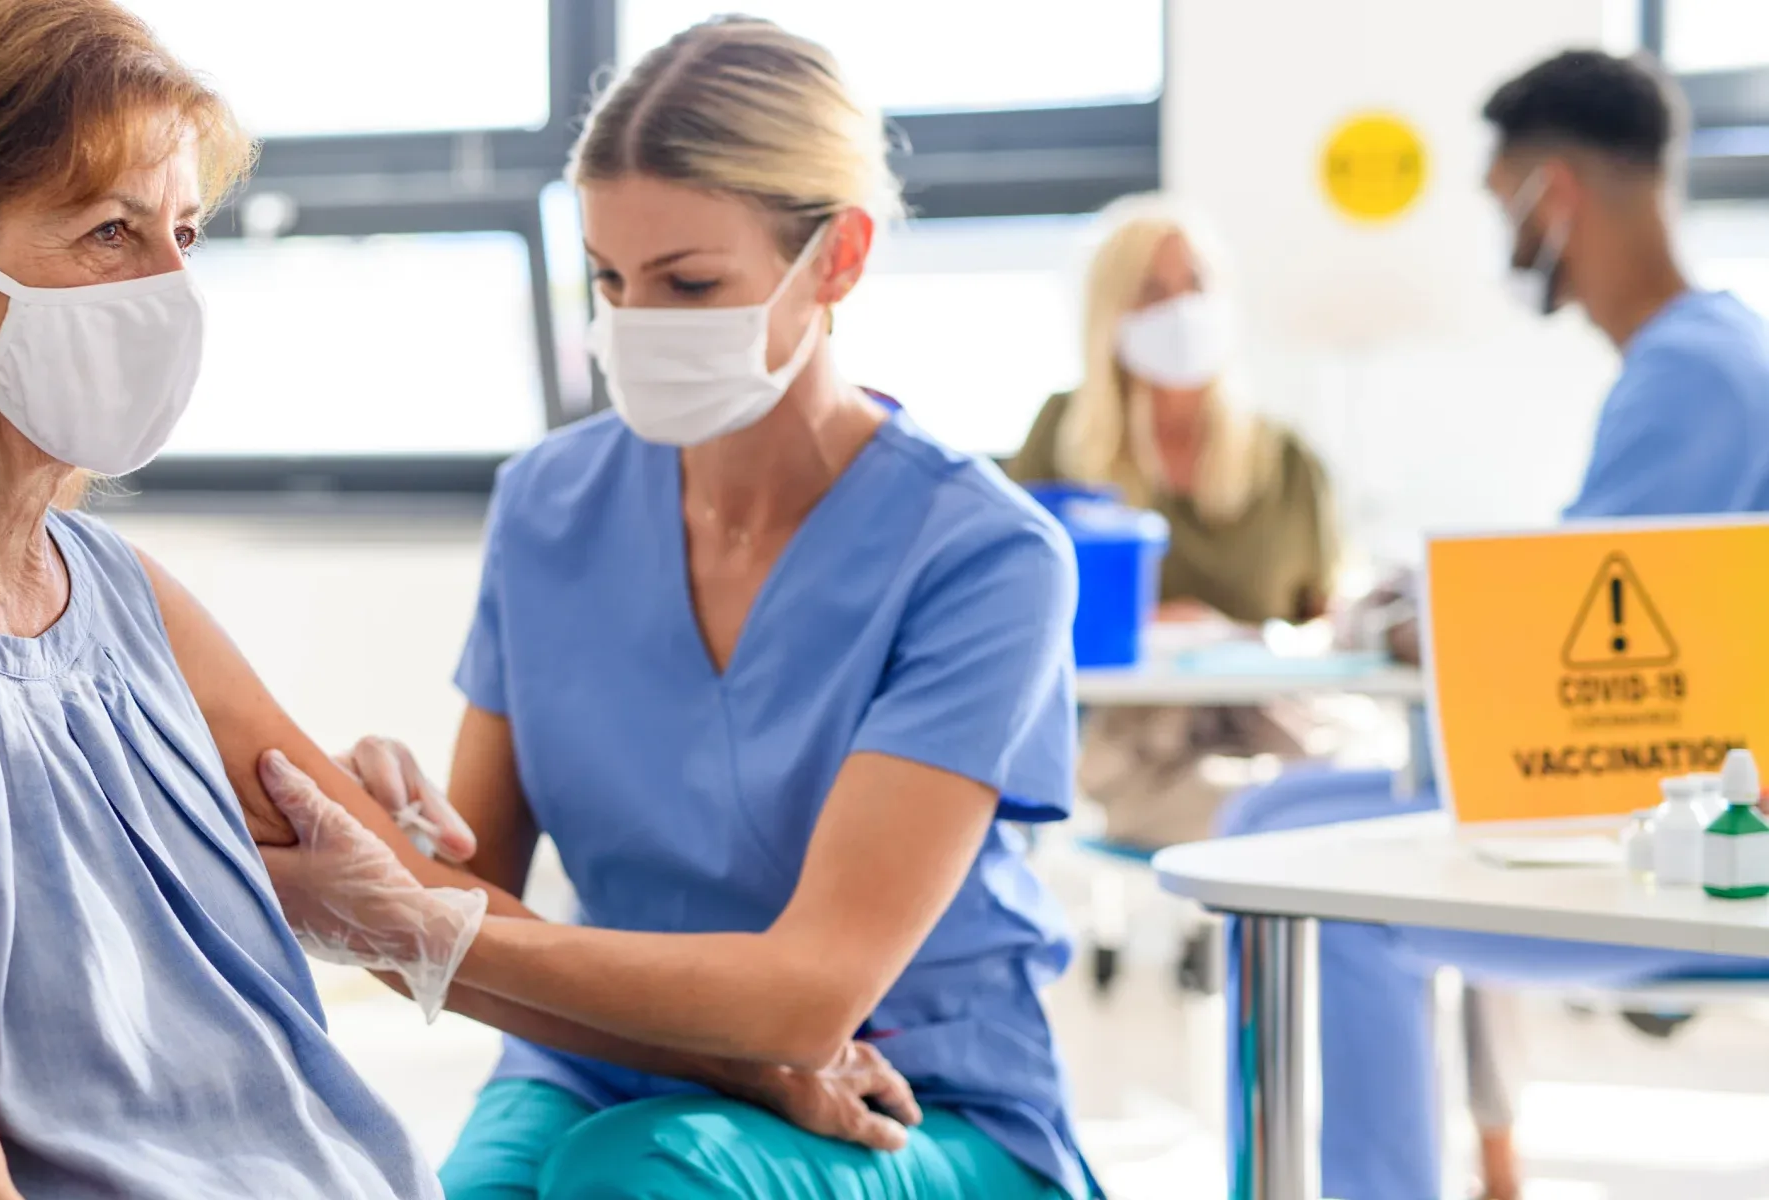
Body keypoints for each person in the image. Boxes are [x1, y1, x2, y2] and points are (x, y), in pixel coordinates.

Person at [0, 3, 937, 1195]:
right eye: (111, 234)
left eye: (183, 233)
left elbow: (417, 916)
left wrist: (756, 1069)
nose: (172, 289)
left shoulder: (122, 598)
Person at [247, 18, 1094, 1198]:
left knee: (639, 1179)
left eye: (689, 282)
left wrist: (413, 912)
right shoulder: (550, 503)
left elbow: (810, 998)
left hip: (913, 1097)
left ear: (838, 259)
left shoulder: (984, 558)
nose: (633, 322)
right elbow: (466, 898)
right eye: (608, 278)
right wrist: (384, 837)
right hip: (598, 1062)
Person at [1221, 49, 1769, 1200]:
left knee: (1308, 884)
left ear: (1551, 193)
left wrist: (1429, 623)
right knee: (1270, 816)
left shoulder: (1695, 372)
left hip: (1696, 848)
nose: (1503, 241)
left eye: (1499, 205)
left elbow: (1582, 640)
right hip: (1669, 809)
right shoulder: (1698, 360)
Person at [1005, 197, 1337, 852]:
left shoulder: (1286, 461)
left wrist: (1233, 636)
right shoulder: (1063, 439)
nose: (1180, 308)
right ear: (1110, 312)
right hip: (1125, 742)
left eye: (1196, 286)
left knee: (1315, 805)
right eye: (1152, 290)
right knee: (1252, 826)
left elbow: (1327, 626)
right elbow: (1014, 601)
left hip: (1267, 724)